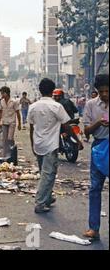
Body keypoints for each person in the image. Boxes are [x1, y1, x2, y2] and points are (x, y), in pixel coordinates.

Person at [28, 78, 82, 214]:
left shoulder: (33, 106)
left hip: (38, 144)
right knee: (48, 174)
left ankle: (48, 198)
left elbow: (31, 127)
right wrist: (78, 140)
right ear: (52, 91)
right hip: (50, 145)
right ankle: (40, 203)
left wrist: (32, 143)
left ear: (40, 90)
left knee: (44, 173)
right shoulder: (56, 106)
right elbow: (67, 125)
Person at [83, 74, 109, 241]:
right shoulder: (91, 105)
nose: (105, 94)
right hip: (99, 147)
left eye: (108, 91)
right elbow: (86, 131)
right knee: (95, 188)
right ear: (96, 91)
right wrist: (99, 123)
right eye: (102, 91)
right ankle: (94, 228)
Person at [0, 86, 22, 159]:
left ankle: (12, 153)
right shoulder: (1, 101)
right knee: (4, 139)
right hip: (4, 122)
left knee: (10, 139)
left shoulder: (14, 102)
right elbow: (0, 112)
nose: (1, 95)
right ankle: (5, 155)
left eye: (2, 93)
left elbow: (18, 113)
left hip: (12, 122)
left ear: (6, 93)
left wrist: (19, 124)